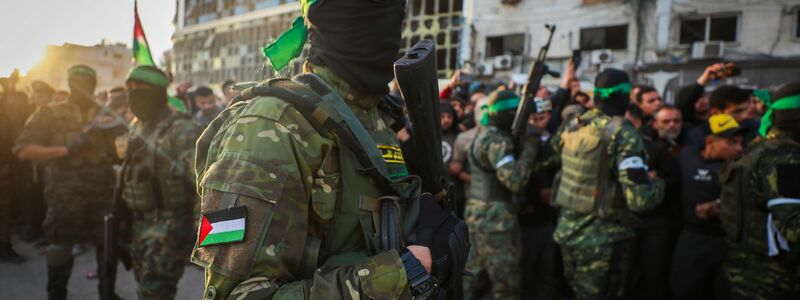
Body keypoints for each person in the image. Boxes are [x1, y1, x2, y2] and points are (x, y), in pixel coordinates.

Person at [191, 0, 469, 298]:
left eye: (392, 13)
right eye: (366, 10)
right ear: (322, 20)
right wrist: (406, 273)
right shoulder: (269, 126)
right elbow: (236, 295)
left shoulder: (379, 117)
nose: (383, 28)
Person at [551, 68, 664, 299]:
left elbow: (555, 152)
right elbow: (640, 200)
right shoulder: (622, 133)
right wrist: (657, 184)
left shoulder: (573, 124)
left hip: (567, 232)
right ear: (623, 96)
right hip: (604, 240)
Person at [13, 65, 118, 299]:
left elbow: (123, 149)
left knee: (108, 245)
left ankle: (107, 291)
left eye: (87, 81)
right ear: (69, 83)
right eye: (78, 81)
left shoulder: (106, 114)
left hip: (103, 193)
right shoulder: (49, 113)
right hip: (64, 195)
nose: (83, 86)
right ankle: (57, 293)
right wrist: (65, 149)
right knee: (60, 246)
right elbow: (23, 150)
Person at [118, 65, 200, 299]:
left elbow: (203, 184)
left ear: (158, 92)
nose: (133, 94)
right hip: (139, 224)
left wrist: (199, 234)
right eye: (130, 89)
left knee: (156, 291)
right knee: (143, 285)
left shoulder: (183, 130)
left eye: (141, 89)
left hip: (169, 228)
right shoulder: (136, 126)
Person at [720, 82, 800, 300]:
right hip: (770, 278)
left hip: (749, 273)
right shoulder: (784, 157)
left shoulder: (760, 147)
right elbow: (793, 224)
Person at [464, 89, 539, 299]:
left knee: (474, 277)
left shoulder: (483, 133)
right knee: (505, 283)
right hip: (496, 221)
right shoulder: (497, 140)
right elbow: (515, 180)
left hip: (477, 214)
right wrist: (530, 148)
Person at [671, 114, 744, 300]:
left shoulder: (742, 167)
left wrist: (720, 205)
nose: (739, 148)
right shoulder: (686, 156)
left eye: (740, 142)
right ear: (710, 141)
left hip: (727, 242)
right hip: (692, 239)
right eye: (732, 142)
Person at [633, 106, 684, 300]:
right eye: (666, 121)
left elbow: (675, 180)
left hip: (660, 222)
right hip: (632, 221)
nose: (672, 125)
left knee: (655, 274)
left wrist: (657, 178)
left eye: (676, 121)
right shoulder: (639, 147)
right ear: (654, 124)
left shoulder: (660, 149)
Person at [519, 97, 562, 299]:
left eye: (542, 117)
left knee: (547, 271)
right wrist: (531, 197)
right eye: (533, 118)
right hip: (527, 219)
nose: (538, 122)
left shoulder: (554, 141)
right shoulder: (519, 142)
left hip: (549, 217)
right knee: (527, 271)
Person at [685, 85, 756, 148]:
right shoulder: (697, 136)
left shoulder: (755, 128)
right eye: (737, 112)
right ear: (715, 113)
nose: (744, 116)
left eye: (745, 110)